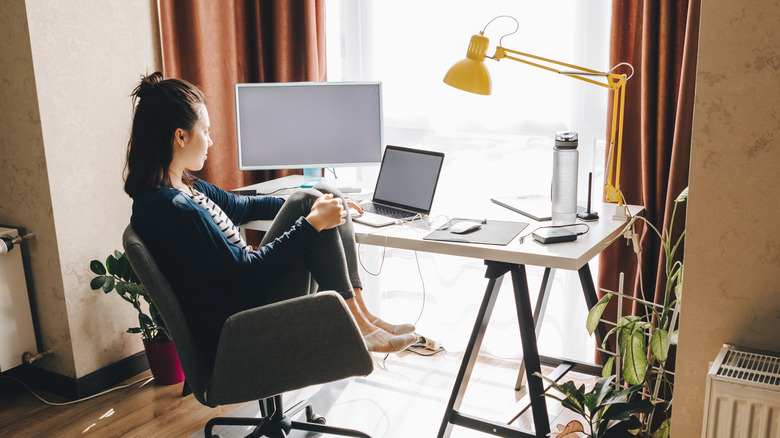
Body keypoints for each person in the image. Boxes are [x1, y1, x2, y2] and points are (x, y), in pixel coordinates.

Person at [124, 72, 416, 365]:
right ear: (181, 136)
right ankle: (359, 326)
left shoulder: (186, 188)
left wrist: (318, 206)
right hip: (245, 326)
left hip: (249, 301)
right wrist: (311, 224)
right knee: (313, 209)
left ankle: (362, 314)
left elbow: (243, 207)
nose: (211, 141)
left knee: (321, 193)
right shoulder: (175, 210)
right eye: (206, 132)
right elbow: (248, 276)